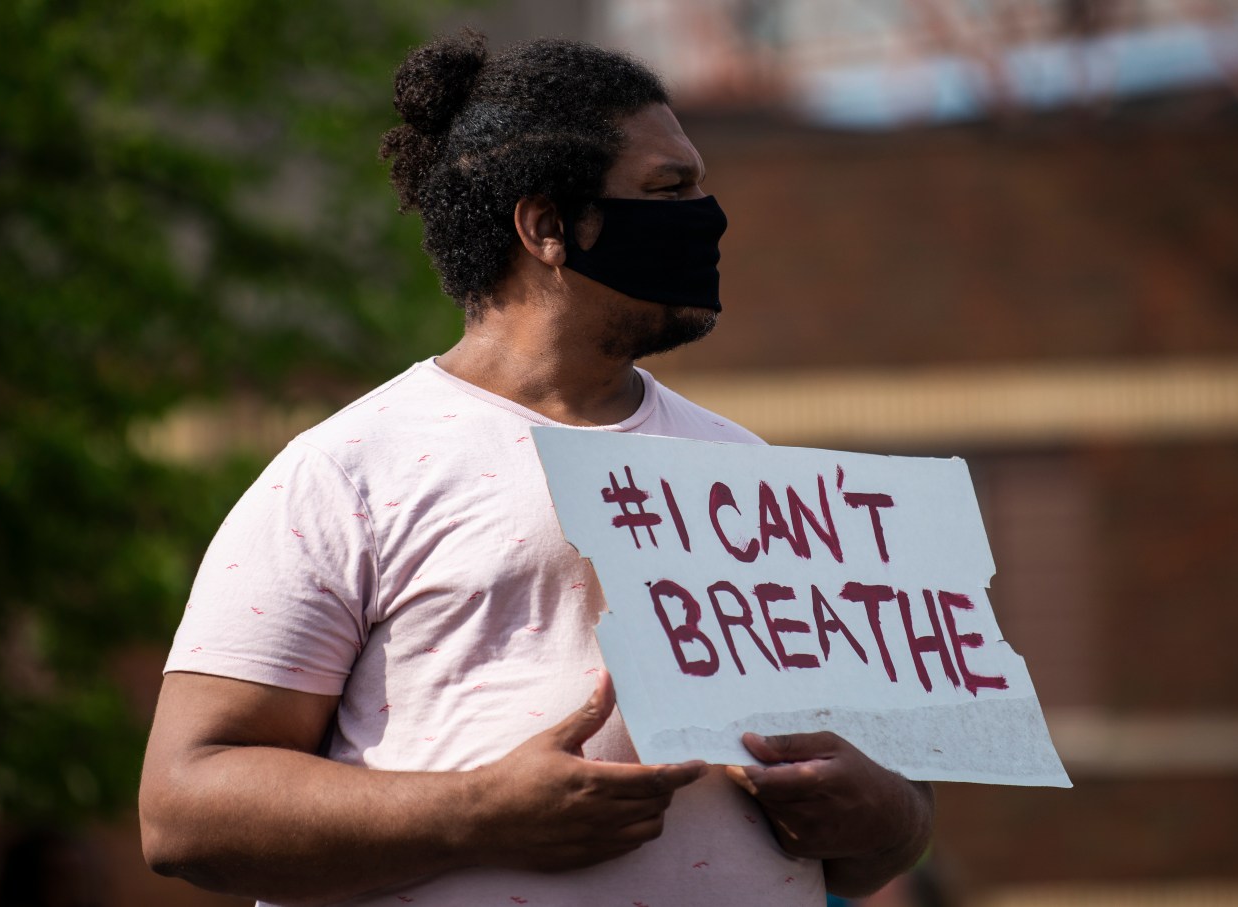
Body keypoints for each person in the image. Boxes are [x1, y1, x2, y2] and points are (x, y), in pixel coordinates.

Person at [139, 30, 934, 907]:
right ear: (549, 225)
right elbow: (183, 809)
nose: (709, 217)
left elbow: (883, 835)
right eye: (669, 190)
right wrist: (478, 813)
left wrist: (883, 813)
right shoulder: (346, 471)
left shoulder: (753, 475)